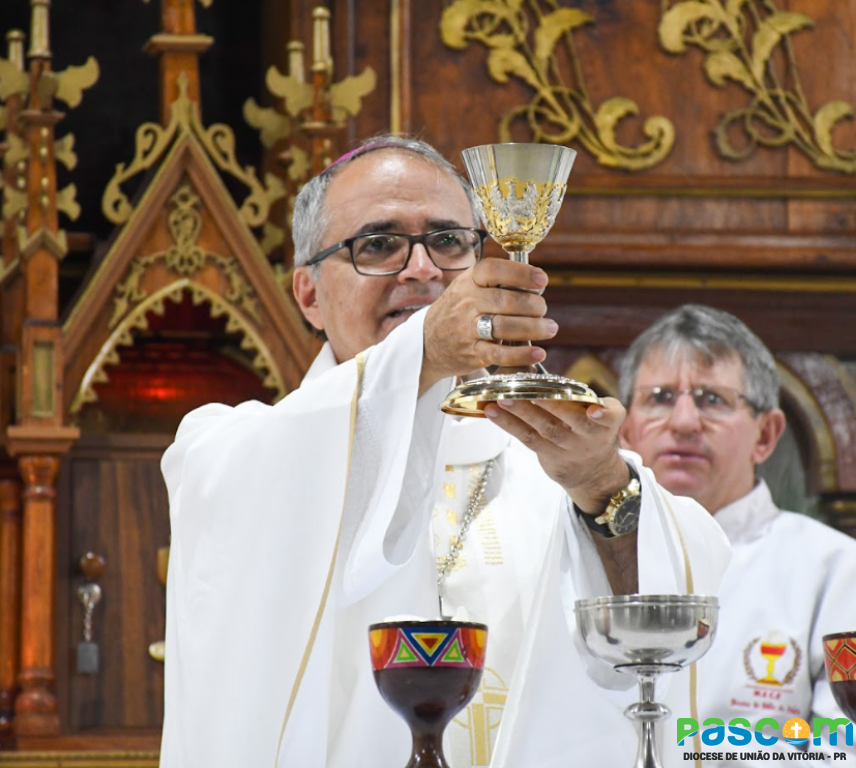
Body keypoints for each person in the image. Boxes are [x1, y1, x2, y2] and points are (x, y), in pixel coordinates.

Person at [158, 137, 730, 768]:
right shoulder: (229, 449)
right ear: (309, 296)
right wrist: (424, 350)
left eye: (449, 242)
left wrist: (602, 490)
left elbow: (668, 618)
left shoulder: (551, 464)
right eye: (378, 244)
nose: (423, 269)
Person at [619, 304, 856, 764]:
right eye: (661, 397)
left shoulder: (838, 570)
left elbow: (843, 750)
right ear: (626, 431)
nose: (684, 422)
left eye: (712, 399)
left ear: (766, 435)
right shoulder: (586, 562)